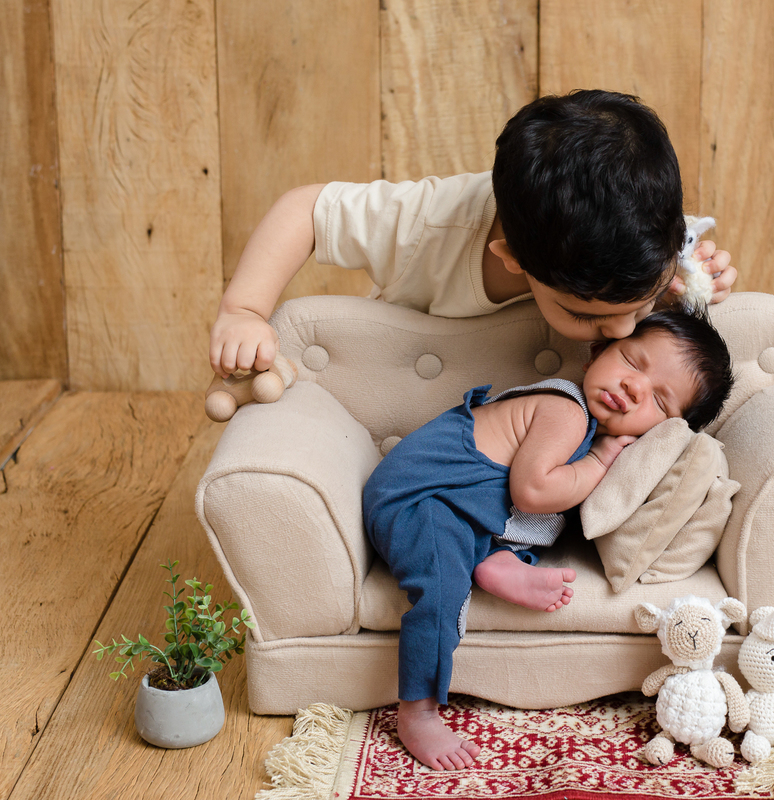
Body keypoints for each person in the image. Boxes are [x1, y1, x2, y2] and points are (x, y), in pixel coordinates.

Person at [362, 309, 735, 771]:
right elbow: (532, 492)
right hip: (418, 498)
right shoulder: (565, 411)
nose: (635, 388)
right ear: (597, 353)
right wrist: (598, 464)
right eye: (632, 362)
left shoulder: (594, 428)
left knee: (545, 523)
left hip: (463, 508)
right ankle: (417, 710)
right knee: (441, 590)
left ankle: (492, 557)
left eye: (659, 402)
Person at [209, 90, 737, 378]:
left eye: (636, 305)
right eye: (588, 314)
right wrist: (244, 310)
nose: (623, 330)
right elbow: (307, 209)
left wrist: (687, 285)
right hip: (407, 390)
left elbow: (672, 282)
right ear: (511, 257)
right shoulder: (429, 224)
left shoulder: (644, 231)